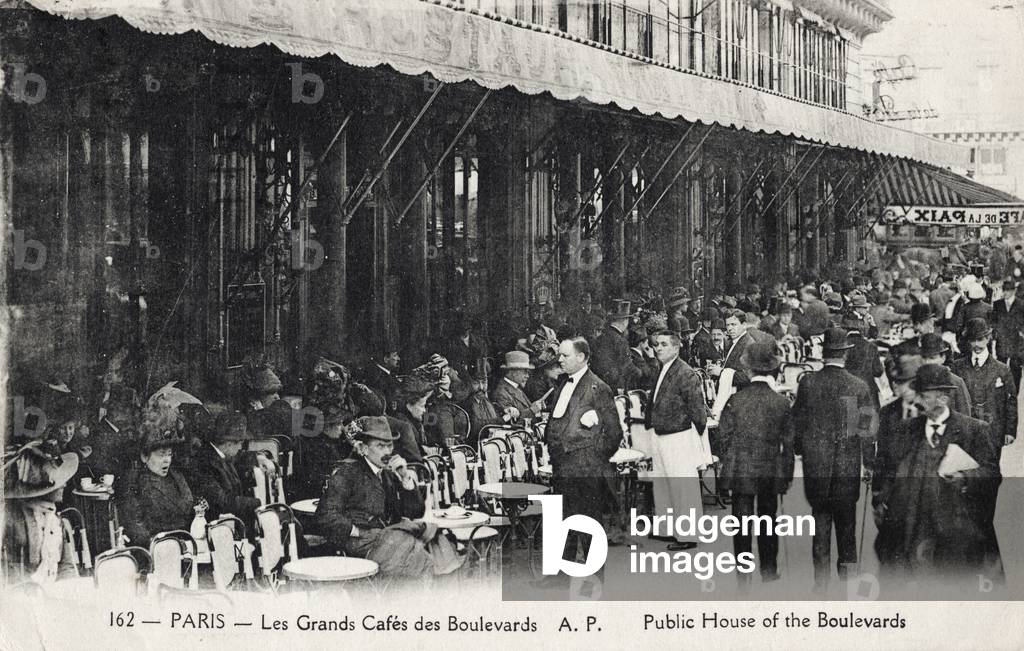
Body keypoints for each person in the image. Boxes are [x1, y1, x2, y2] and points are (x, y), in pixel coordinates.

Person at [873, 365, 1002, 593]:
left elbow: (992, 474)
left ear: (943, 397)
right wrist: (882, 500)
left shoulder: (974, 431)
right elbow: (889, 470)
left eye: (924, 395)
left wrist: (964, 477)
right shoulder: (906, 431)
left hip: (956, 535)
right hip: (913, 532)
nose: (917, 400)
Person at [316, 416, 463, 578]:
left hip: (389, 538)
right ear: (363, 449)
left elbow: (415, 513)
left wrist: (406, 478)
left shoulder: (387, 473)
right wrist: (357, 532)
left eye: (390, 445)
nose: (388, 452)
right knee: (417, 554)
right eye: (381, 446)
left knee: (436, 540)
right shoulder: (347, 473)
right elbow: (326, 516)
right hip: (361, 544)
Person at [791, 327, 877, 594]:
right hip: (846, 466)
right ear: (845, 354)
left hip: (816, 467)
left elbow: (797, 422)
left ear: (824, 353)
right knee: (847, 523)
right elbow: (864, 431)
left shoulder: (808, 383)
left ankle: (821, 584)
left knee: (820, 522)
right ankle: (848, 581)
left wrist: (798, 449)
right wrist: (869, 464)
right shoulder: (857, 386)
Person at [717, 340, 793, 589]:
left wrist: (727, 467)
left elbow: (723, 437)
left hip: (741, 470)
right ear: (771, 369)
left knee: (741, 523)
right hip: (770, 470)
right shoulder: (781, 403)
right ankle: (769, 570)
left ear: (748, 370)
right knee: (768, 520)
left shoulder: (735, 400)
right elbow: (788, 445)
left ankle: (743, 576)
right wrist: (787, 476)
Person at [544, 338, 621, 563]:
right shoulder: (562, 384)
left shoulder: (598, 387)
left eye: (565, 356)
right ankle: (559, 577)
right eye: (559, 355)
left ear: (581, 357)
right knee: (562, 520)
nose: (560, 360)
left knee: (588, 522)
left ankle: (593, 579)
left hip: (586, 467)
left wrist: (593, 458)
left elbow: (614, 433)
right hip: (561, 464)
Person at [645, 330, 709, 551]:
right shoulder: (661, 369)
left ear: (676, 347)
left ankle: (688, 535)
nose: (658, 348)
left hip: (678, 435)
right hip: (661, 433)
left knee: (682, 485)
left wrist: (695, 433)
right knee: (662, 483)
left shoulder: (685, 373)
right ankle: (667, 528)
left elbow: (697, 409)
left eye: (664, 344)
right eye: (656, 344)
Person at [2, 442, 80, 584]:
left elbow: (67, 567)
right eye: (57, 481)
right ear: (41, 488)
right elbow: (9, 573)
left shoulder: (57, 521)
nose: (64, 485)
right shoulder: (12, 519)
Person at [119, 425, 194, 547]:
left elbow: (188, 507)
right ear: (144, 457)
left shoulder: (176, 476)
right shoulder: (134, 483)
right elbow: (137, 529)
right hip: (158, 550)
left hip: (185, 545)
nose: (167, 460)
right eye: (161, 454)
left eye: (169, 454)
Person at [187, 412, 265, 523]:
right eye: (239, 444)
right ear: (228, 443)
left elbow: (240, 456)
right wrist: (259, 502)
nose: (240, 448)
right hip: (218, 525)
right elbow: (222, 502)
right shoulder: (203, 463)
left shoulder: (218, 452)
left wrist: (260, 458)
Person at [590, 299, 643, 393]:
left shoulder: (601, 337)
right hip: (616, 387)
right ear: (625, 320)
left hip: (600, 384)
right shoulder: (620, 341)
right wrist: (641, 372)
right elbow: (627, 367)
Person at [919, 333, 973, 416]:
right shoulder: (915, 383)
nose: (927, 362)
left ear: (943, 358)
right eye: (924, 358)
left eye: (932, 358)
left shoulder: (956, 382)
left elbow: (965, 417)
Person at [491, 351, 547, 424]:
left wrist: (534, 407)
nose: (527, 376)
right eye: (525, 372)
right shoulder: (501, 393)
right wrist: (532, 410)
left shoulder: (516, 388)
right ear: (513, 372)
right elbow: (510, 421)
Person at [842, 314, 884, 408]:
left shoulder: (841, 347)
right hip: (868, 393)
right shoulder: (871, 346)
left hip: (848, 393)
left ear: (844, 329)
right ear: (861, 330)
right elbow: (878, 371)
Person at [388, 377, 433, 463]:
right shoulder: (405, 426)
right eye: (422, 405)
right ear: (409, 405)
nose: (424, 410)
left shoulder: (410, 421)